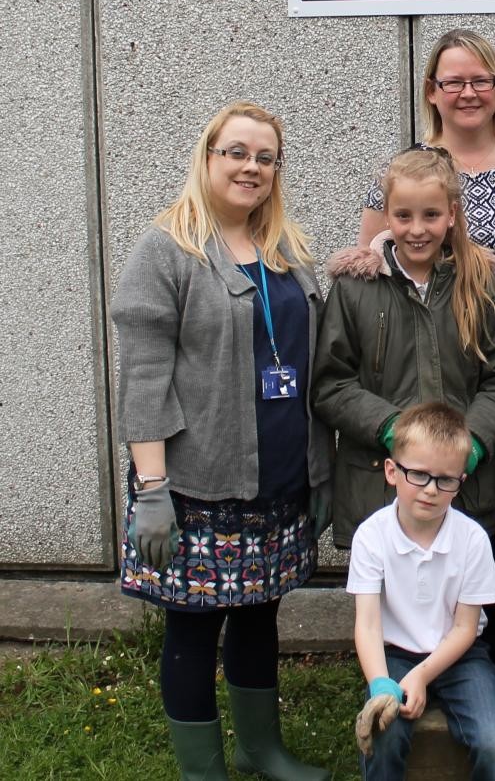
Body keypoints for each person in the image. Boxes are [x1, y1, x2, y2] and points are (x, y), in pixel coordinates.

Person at [112, 101, 331, 780]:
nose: (251, 168)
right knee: (193, 626)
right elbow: (145, 377)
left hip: (277, 477)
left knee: (261, 615)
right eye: (236, 152)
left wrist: (316, 472)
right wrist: (151, 489)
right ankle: (201, 771)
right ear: (207, 159)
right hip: (194, 484)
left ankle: (259, 748)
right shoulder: (167, 250)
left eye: (265, 158)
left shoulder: (286, 251)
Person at [313, 148, 495, 549]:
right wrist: (392, 428)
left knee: (463, 611)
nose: (417, 229)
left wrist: (469, 446)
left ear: (452, 215)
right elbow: (331, 384)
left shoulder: (479, 284)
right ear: (387, 215)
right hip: (378, 493)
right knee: (383, 610)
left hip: (463, 494)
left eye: (431, 215)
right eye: (404, 216)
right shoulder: (355, 290)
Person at [349, 402, 495, 781]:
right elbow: (369, 625)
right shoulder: (371, 536)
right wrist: (381, 684)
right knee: (384, 733)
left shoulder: (472, 539)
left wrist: (422, 677)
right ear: (392, 471)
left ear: (460, 481)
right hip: (393, 655)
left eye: (445, 479)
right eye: (418, 475)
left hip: (461, 656)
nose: (430, 490)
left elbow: (464, 628)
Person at [359, 28, 495, 311]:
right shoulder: (400, 171)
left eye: (481, 81)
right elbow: (372, 268)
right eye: (453, 83)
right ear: (432, 91)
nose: (469, 93)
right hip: (439, 347)